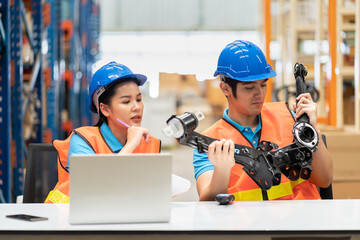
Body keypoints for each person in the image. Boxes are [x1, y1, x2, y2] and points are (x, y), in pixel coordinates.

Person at [193, 40, 333, 201]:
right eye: (249, 87)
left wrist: (312, 130)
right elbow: (207, 202)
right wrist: (222, 171)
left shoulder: (291, 118)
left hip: (302, 222)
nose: (259, 94)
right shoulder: (209, 142)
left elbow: (325, 180)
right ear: (225, 88)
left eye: (263, 85)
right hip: (247, 225)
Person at [45, 61, 161, 203]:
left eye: (139, 99)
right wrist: (130, 145)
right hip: (69, 219)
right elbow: (93, 191)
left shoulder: (149, 143)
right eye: (126, 102)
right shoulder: (83, 140)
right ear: (105, 109)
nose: (137, 107)